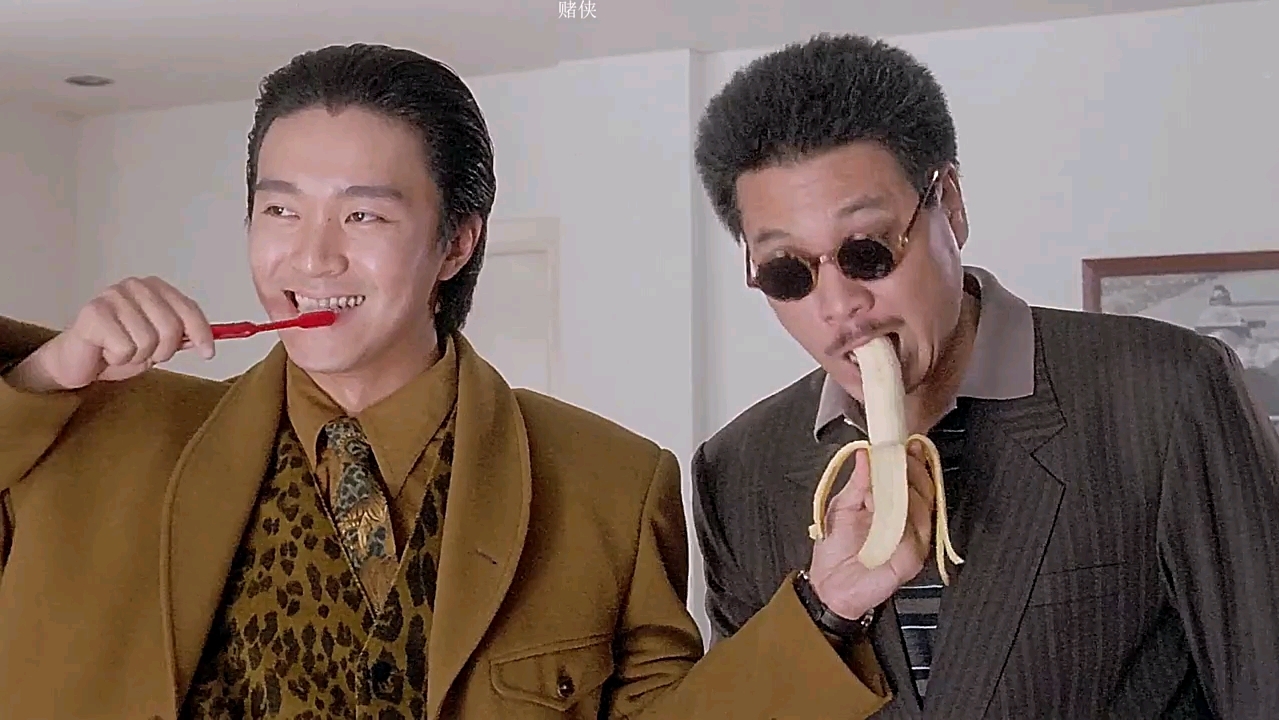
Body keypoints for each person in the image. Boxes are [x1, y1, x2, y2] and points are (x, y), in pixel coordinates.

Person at [0, 44, 916, 720]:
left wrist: (826, 609)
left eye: (362, 215)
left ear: (456, 242)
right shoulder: (91, 432)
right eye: (279, 209)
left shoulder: (609, 482)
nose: (311, 256)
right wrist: (42, 378)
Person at [690, 33, 1279, 718]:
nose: (838, 306)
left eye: (866, 250)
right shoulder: (737, 472)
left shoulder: (1164, 392)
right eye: (787, 272)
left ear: (950, 203)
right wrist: (824, 614)